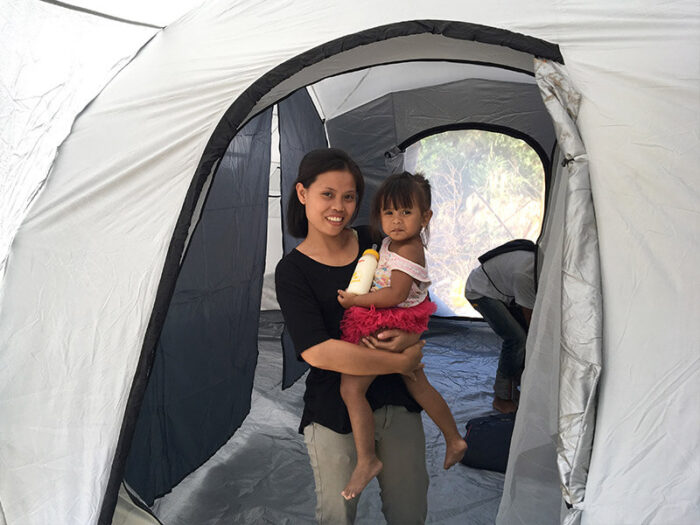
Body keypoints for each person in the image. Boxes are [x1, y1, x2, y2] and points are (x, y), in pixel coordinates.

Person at [275, 149, 429, 525]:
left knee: (410, 512)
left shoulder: (375, 241)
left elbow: (414, 297)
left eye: (349, 196)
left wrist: (410, 341)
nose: (339, 207)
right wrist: (398, 361)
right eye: (327, 194)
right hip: (334, 411)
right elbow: (319, 352)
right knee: (337, 516)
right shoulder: (292, 271)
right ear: (302, 193)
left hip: (396, 399)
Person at [336, 172, 467, 500]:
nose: (396, 221)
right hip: (398, 322)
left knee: (351, 388)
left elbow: (394, 295)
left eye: (406, 213)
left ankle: (366, 460)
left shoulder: (408, 249)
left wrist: (356, 300)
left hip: (387, 321)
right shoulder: (391, 243)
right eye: (388, 213)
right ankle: (454, 438)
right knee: (417, 383)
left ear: (425, 217)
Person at [464, 246, 536, 414]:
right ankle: (502, 398)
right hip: (479, 291)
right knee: (517, 339)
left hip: (501, 288)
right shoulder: (526, 275)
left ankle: (517, 383)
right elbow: (531, 321)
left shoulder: (542, 264)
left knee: (523, 338)